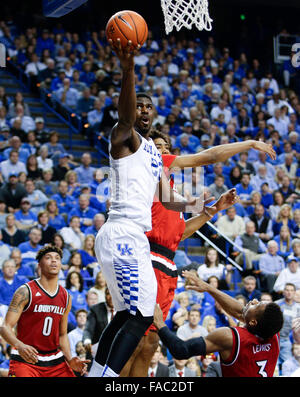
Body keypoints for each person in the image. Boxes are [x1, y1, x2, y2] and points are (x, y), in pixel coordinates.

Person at [88, 39, 202, 379]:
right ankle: (106, 377)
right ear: (129, 110)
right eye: (138, 106)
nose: (143, 111)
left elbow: (168, 199)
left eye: (148, 107)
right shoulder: (123, 137)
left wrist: (195, 204)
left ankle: (96, 373)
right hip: (123, 232)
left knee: (126, 315)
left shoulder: (153, 153)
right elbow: (125, 115)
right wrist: (128, 70)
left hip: (131, 238)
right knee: (139, 317)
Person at [154, 270, 283, 377]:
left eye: (257, 305)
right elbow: (241, 312)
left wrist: (160, 324)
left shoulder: (230, 337)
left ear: (253, 322)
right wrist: (209, 288)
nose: (254, 300)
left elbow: (181, 350)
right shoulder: (273, 332)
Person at [0, 245, 89, 377]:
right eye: (48, 258)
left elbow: (62, 335)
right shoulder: (25, 291)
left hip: (53, 360)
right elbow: (5, 327)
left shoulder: (66, 297)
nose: (54, 261)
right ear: (39, 265)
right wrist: (19, 345)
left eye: (57, 258)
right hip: (26, 358)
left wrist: (70, 359)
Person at [83, 287, 114, 358]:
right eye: (108, 294)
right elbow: (88, 329)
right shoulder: (95, 309)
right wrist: (87, 341)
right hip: (98, 351)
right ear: (105, 296)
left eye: (114, 294)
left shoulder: (123, 310)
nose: (111, 297)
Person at [275, 283, 300, 366]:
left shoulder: (298, 307)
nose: (289, 292)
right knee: (274, 365)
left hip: (288, 341)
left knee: (288, 364)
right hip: (275, 339)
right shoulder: (276, 305)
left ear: (294, 292)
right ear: (283, 292)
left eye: (291, 290)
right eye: (287, 290)